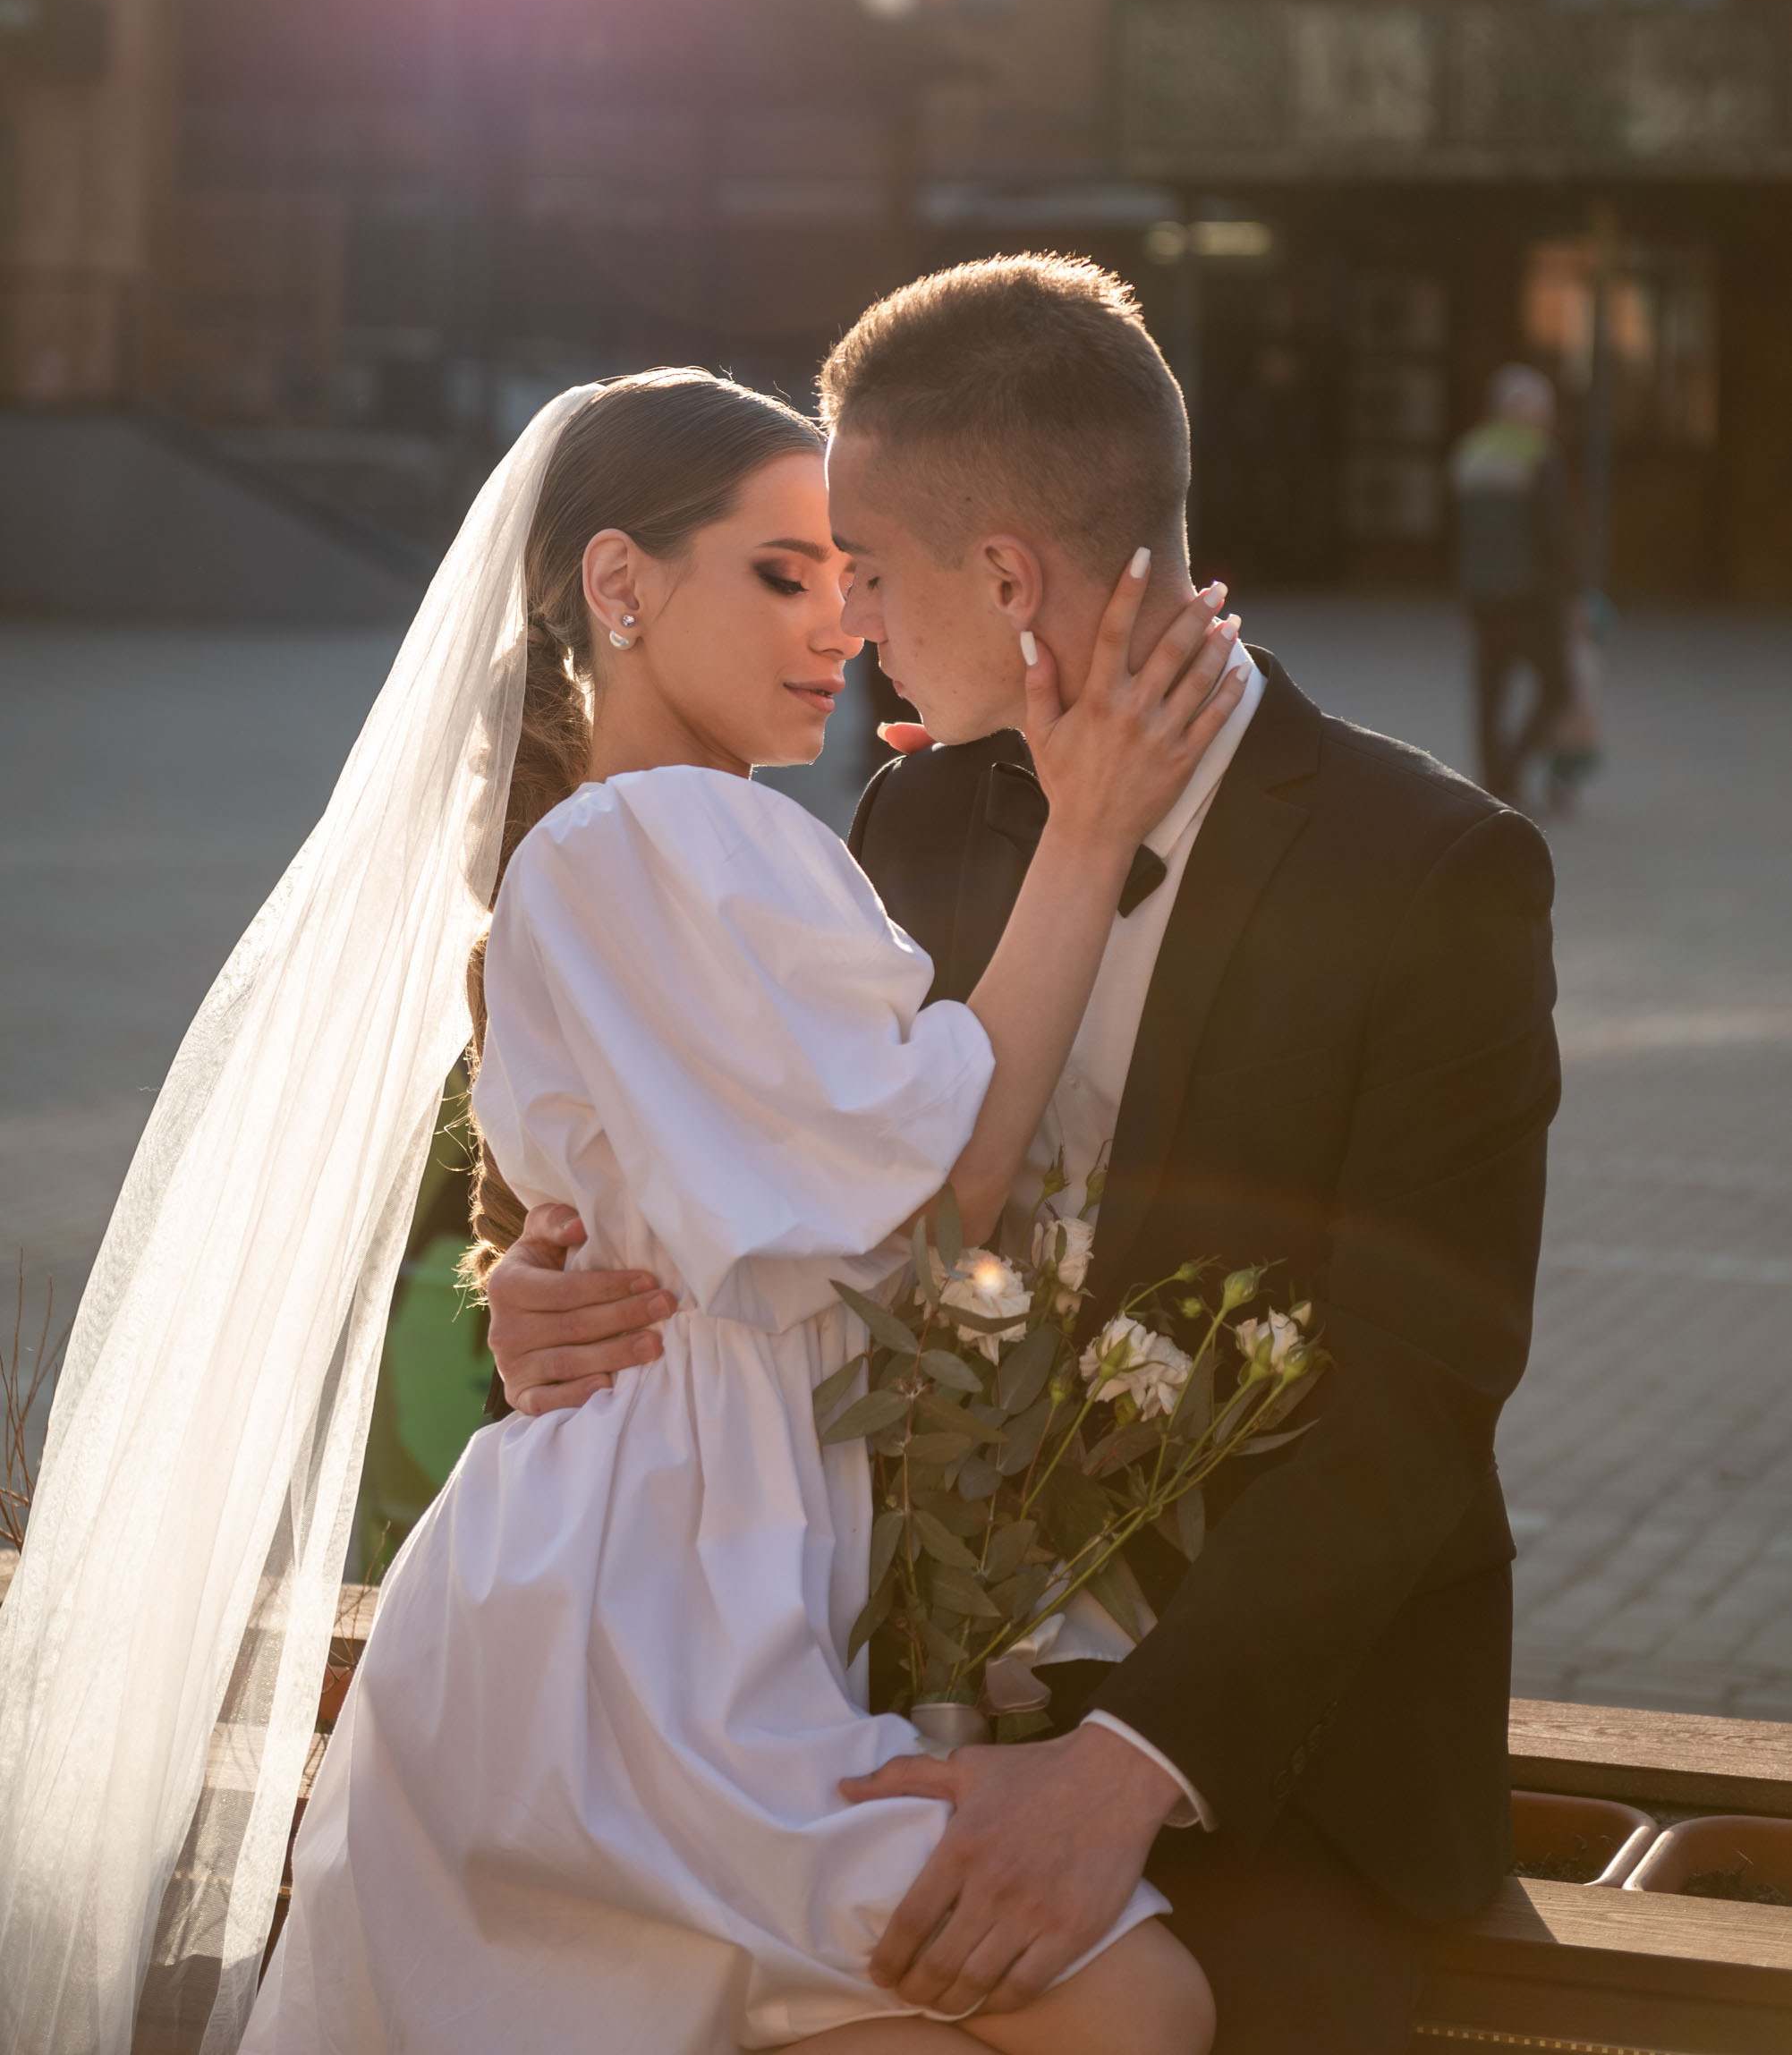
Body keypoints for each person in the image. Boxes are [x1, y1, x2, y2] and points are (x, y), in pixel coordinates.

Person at [488, 261, 1558, 2055]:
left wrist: (1123, 1772)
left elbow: (1412, 1401)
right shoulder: (914, 810)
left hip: (1256, 1746)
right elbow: (759, 1172)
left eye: (872, 575)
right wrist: (546, 1296)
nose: (854, 634)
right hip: (862, 1681)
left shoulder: (1426, 872)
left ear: (1001, 577)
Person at [238, 369, 1244, 2055]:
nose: (839, 625)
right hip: (644, 1623)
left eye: (849, 578)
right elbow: (938, 1185)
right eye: (781, 574)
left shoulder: (652, 847)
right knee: (1128, 2004)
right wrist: (1087, 832)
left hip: (659, 1589)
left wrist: (523, 1290)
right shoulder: (667, 834)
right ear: (618, 585)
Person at [1448, 363, 1582, 806]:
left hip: (1479, 592)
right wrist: (1574, 588)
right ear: (1525, 410)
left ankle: (1494, 779)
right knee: (1559, 684)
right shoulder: (1538, 453)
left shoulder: (1469, 452)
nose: (1547, 417)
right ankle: (1511, 765)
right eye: (1543, 408)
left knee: (1490, 686)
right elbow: (1552, 530)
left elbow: (1453, 528)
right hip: (1529, 592)